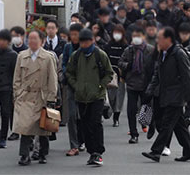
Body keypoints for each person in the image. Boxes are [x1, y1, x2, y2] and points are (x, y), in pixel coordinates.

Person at [142, 27, 190, 163]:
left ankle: (156, 151)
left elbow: (187, 77)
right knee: (180, 127)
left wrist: (189, 100)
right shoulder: (163, 53)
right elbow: (157, 75)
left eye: (160, 39)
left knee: (167, 125)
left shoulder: (179, 54)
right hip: (166, 94)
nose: (157, 41)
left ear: (168, 39)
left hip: (176, 96)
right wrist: (150, 90)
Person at [66, 29, 114, 166]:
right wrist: (76, 86)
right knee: (85, 125)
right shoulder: (76, 56)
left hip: (97, 96)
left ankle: (98, 152)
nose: (84, 44)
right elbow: (69, 73)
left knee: (95, 123)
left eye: (87, 41)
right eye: (82, 42)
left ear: (92, 41)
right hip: (81, 96)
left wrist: (100, 86)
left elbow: (109, 73)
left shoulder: (100, 55)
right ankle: (91, 152)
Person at [13, 30, 58, 166]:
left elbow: (52, 79)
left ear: (42, 41)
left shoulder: (48, 57)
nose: (32, 41)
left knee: (42, 127)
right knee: (25, 127)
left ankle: (42, 153)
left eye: (35, 39)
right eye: (30, 39)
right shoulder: (22, 56)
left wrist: (52, 98)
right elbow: (17, 77)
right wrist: (17, 93)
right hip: (25, 96)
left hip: (41, 96)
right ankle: (24, 155)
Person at [118, 27, 155, 144]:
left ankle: (149, 126)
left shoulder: (150, 50)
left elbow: (156, 66)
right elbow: (121, 62)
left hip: (146, 83)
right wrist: (128, 66)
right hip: (132, 83)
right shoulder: (129, 50)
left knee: (147, 107)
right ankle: (133, 133)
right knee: (131, 109)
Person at [62, 23, 85, 157]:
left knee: (83, 115)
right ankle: (74, 145)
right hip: (70, 85)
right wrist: (68, 74)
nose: (74, 37)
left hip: (84, 87)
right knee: (71, 116)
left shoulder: (86, 48)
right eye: (72, 34)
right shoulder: (67, 47)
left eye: (77, 34)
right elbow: (64, 63)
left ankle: (83, 140)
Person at [103, 24, 128, 127]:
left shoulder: (126, 47)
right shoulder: (108, 46)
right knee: (110, 96)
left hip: (121, 75)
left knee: (119, 96)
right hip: (110, 74)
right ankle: (109, 110)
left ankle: (116, 116)